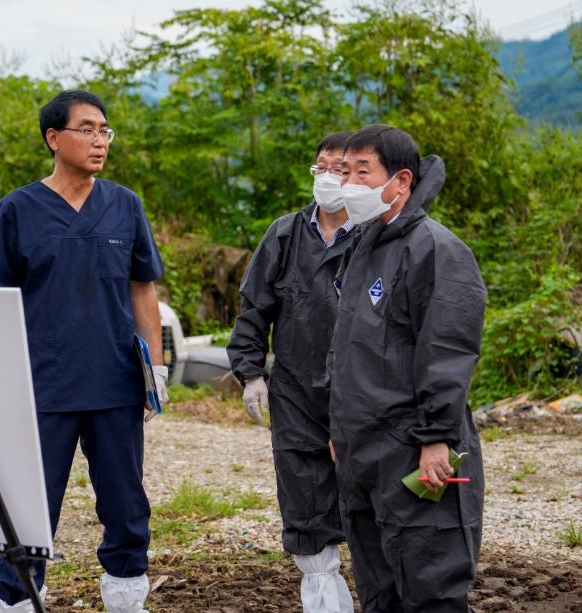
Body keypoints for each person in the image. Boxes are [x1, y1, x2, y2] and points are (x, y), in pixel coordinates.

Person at [0, 90, 167, 613]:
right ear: (53, 138)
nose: (100, 139)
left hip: (115, 381)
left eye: (105, 130)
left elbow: (142, 288)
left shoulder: (124, 205)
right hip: (41, 384)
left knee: (126, 502)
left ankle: (127, 596)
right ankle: (17, 599)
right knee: (31, 505)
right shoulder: (17, 210)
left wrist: (157, 366)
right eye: (87, 129)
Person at [329, 124, 486, 612]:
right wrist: (341, 430)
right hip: (362, 449)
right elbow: (348, 348)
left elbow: (447, 348)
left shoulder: (436, 249)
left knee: (430, 581)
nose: (349, 184)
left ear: (400, 181)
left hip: (414, 446)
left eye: (362, 172)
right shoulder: (364, 246)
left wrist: (436, 437)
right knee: (380, 588)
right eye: (344, 172)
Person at [227, 131, 356, 613]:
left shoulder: (376, 235)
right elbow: (253, 310)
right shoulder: (284, 233)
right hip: (297, 392)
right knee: (305, 498)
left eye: (341, 169)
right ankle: (325, 600)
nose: (329, 177)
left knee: (369, 498)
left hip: (362, 395)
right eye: (321, 166)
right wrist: (251, 371)